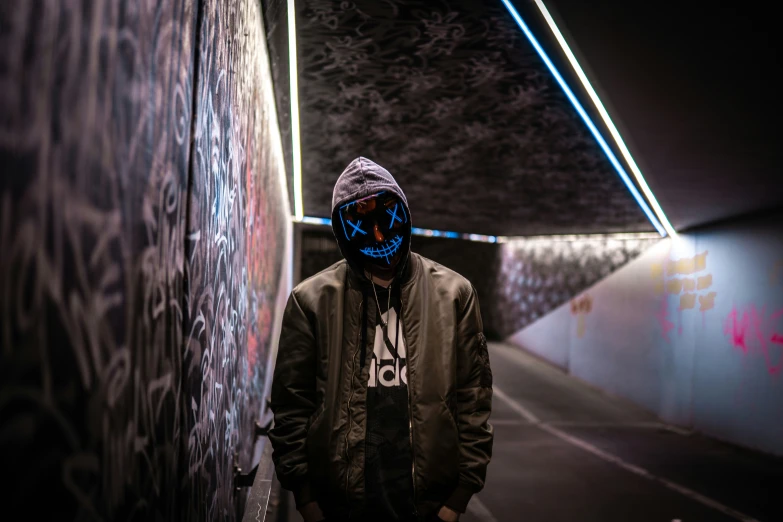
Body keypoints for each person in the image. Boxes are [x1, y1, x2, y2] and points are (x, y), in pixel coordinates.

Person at [269, 157, 493, 522]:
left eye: (387, 223)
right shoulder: (311, 301)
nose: (377, 238)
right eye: (361, 228)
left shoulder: (454, 294)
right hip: (340, 503)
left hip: (430, 504)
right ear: (342, 234)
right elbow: (291, 405)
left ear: (403, 214)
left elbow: (474, 398)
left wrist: (458, 499)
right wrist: (307, 499)